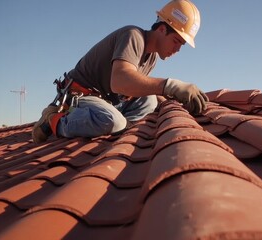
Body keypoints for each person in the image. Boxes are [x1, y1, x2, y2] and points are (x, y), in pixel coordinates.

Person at [32, 0, 208, 143]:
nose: (177, 49)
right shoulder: (133, 36)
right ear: (162, 29)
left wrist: (173, 101)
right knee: (113, 121)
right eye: (176, 41)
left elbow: (136, 88)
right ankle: (54, 120)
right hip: (80, 96)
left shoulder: (151, 57)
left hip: (106, 100)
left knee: (150, 100)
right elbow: (120, 82)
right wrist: (170, 85)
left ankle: (121, 128)